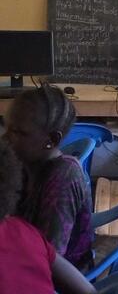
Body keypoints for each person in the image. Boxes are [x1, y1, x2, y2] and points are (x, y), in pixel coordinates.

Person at [3, 84, 93, 269]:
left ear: (51, 140)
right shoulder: (24, 163)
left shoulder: (63, 179)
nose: (5, 138)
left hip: (56, 275)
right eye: (7, 128)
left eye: (18, 132)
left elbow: (49, 258)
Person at [0, 137, 96, 294]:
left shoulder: (64, 177)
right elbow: (88, 291)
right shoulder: (26, 232)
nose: (8, 137)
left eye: (19, 132)